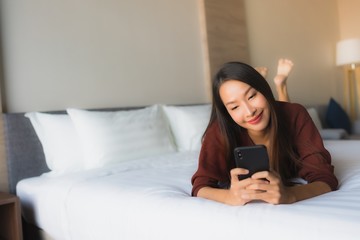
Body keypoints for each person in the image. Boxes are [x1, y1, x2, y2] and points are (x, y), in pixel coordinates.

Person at [191, 61, 338, 205]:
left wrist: (290, 194)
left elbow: (325, 180)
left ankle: (281, 85)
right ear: (227, 113)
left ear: (264, 88)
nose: (250, 112)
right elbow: (200, 187)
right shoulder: (219, 130)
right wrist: (229, 196)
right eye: (235, 107)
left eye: (252, 96)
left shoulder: (295, 114)